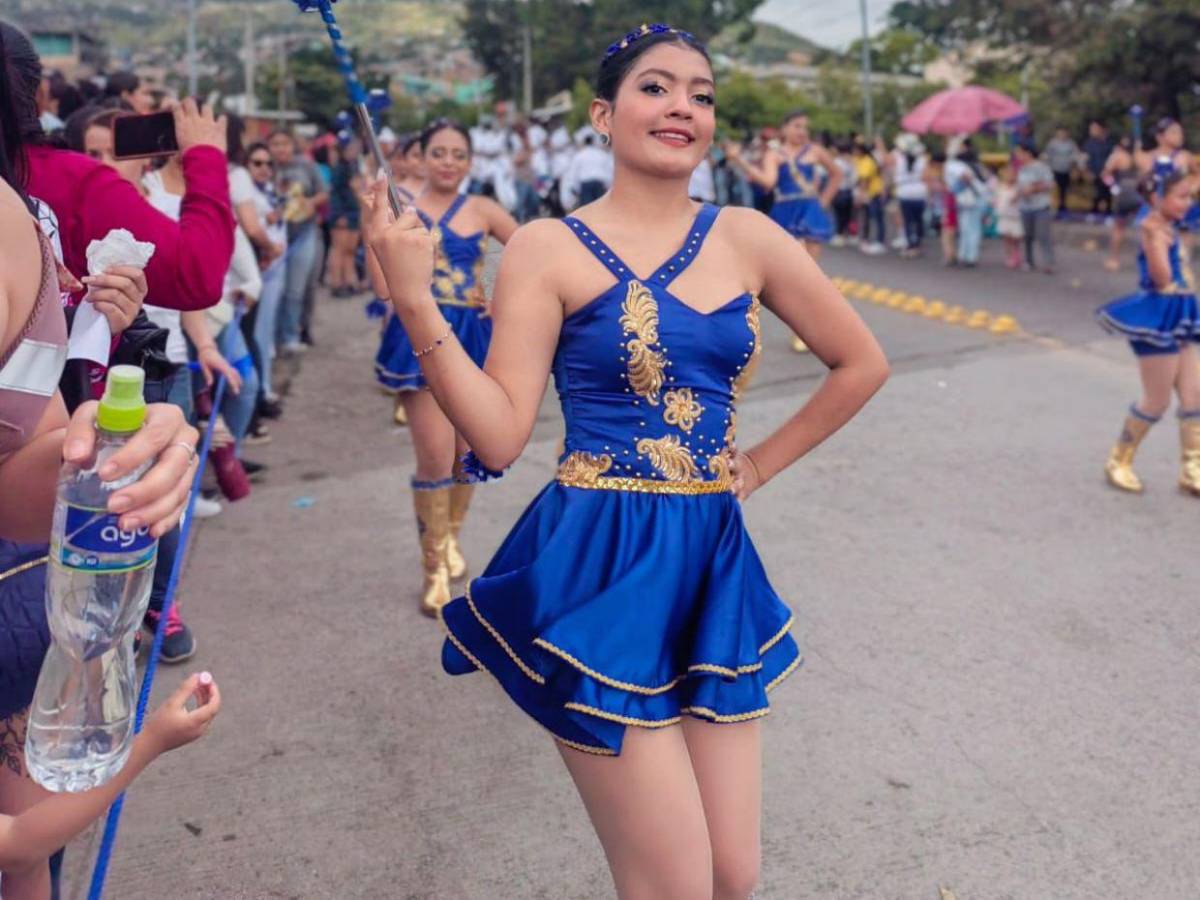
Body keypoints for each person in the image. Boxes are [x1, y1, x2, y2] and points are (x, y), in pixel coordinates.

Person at [365, 24, 887, 897]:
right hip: (598, 562)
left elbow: (860, 361)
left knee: (733, 875)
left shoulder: (749, 236)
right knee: (673, 883)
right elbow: (496, 436)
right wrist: (416, 302)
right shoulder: (545, 246)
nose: (683, 104)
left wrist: (753, 468)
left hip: (712, 556)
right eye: (656, 87)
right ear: (604, 117)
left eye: (702, 93)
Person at [369, 119, 519, 616]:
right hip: (418, 335)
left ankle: (452, 538)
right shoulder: (400, 208)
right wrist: (376, 235)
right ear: (421, 157)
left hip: (474, 338)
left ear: (471, 161)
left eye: (458, 153)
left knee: (467, 456)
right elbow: (385, 288)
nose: (449, 162)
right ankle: (432, 567)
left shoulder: (484, 209)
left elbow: (528, 252)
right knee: (434, 460)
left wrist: (498, 294)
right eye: (439, 152)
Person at [1095, 170, 1200, 495]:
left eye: (1190, 196)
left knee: (1195, 396)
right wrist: (1158, 241)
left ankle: (1192, 467)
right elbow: (1161, 278)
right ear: (1158, 198)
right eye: (1181, 196)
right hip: (1156, 318)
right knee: (1157, 401)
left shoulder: (1172, 226)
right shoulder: (1153, 229)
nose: (1188, 203)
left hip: (1180, 313)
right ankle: (1119, 460)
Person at [725, 111, 840, 354]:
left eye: (805, 127)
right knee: (798, 275)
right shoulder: (774, 154)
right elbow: (768, 182)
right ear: (785, 128)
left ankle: (811, 331)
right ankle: (803, 329)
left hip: (810, 212)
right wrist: (739, 160)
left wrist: (824, 201)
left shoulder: (815, 151)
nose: (802, 131)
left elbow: (836, 174)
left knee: (811, 275)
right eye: (797, 126)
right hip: (786, 212)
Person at [268, 129, 327, 355]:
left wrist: (310, 203)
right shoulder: (264, 167)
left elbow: (323, 193)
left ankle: (290, 335)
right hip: (275, 236)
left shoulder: (307, 166)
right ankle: (272, 338)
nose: (281, 149)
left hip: (304, 233)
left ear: (293, 146)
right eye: (276, 144)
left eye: (285, 143)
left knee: (296, 288)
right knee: (275, 289)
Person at [944, 138, 990, 267]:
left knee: (969, 228)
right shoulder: (973, 164)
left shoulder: (955, 164)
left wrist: (957, 188)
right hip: (972, 198)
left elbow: (966, 178)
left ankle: (969, 256)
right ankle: (966, 255)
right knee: (968, 228)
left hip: (969, 198)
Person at [1102, 136, 1144, 271]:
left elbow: (1105, 174)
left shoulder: (1118, 156)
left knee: (1119, 228)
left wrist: (1113, 188)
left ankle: (1114, 259)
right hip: (1139, 193)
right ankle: (1146, 260)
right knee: (1145, 228)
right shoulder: (1142, 156)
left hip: (1124, 193)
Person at [1014, 140, 1055, 273]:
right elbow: (1020, 186)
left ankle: (1048, 263)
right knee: (1027, 236)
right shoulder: (1021, 169)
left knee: (1043, 235)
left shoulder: (1040, 167)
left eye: (1020, 152)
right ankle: (1029, 261)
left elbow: (1049, 184)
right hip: (1025, 207)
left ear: (1028, 153)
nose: (1018, 155)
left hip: (1040, 206)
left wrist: (1032, 189)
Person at [892, 133, 928, 258]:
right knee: (918, 221)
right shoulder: (923, 160)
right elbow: (925, 177)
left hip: (904, 193)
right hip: (919, 194)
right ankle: (917, 245)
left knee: (908, 221)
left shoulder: (899, 159)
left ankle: (910, 245)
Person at [561, 132, 613, 209]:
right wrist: (608, 186)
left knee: (587, 211)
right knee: (600, 209)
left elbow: (574, 173)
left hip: (586, 185)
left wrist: (574, 189)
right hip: (599, 183)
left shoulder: (579, 155)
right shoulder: (601, 154)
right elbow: (609, 171)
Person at [852, 140, 886, 256]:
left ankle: (879, 241)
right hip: (872, 192)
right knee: (869, 216)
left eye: (855, 150)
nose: (854, 152)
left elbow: (864, 181)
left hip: (873, 193)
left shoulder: (867, 161)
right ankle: (867, 239)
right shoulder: (863, 160)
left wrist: (860, 196)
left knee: (875, 217)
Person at [1044, 126, 1080, 218]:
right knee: (1054, 191)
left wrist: (1074, 169)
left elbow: (1075, 157)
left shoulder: (1071, 144)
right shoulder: (1053, 143)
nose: (1062, 135)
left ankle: (1062, 209)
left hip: (1066, 171)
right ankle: (1052, 209)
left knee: (1064, 191)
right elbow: (1048, 156)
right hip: (1055, 171)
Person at [993, 166, 1025, 269]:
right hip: (1004, 215)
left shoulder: (1018, 187)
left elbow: (1017, 199)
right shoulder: (1000, 187)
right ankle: (1009, 257)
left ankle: (1016, 255)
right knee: (1006, 238)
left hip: (1015, 216)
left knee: (1016, 237)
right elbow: (996, 200)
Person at [1083, 121, 1114, 217]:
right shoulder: (1089, 144)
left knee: (1108, 193)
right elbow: (1085, 159)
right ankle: (1094, 212)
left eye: (1094, 128)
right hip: (1094, 173)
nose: (1091, 131)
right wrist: (1087, 171)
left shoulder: (1109, 143)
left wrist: (1108, 170)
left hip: (1107, 173)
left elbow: (1113, 157)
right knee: (1095, 193)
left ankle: (1108, 213)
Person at [829, 140, 857, 246]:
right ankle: (849, 234)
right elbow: (855, 177)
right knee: (848, 214)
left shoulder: (836, 162)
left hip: (839, 190)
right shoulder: (852, 162)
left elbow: (831, 176)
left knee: (839, 214)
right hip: (849, 190)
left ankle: (839, 234)